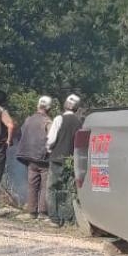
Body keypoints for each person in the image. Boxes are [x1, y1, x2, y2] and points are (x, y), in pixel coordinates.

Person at [46, 93, 84, 226]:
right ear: (77, 108)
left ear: (65, 105)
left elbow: (51, 139)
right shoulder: (79, 123)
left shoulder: (59, 118)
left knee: (52, 188)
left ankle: (54, 219)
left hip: (57, 158)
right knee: (68, 189)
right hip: (71, 160)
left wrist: (48, 149)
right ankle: (69, 219)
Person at [14, 96, 54, 220]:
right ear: (49, 108)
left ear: (38, 106)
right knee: (44, 186)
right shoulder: (48, 121)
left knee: (32, 185)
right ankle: (42, 212)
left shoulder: (28, 120)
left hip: (30, 158)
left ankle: (32, 212)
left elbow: (21, 134)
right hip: (43, 159)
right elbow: (52, 139)